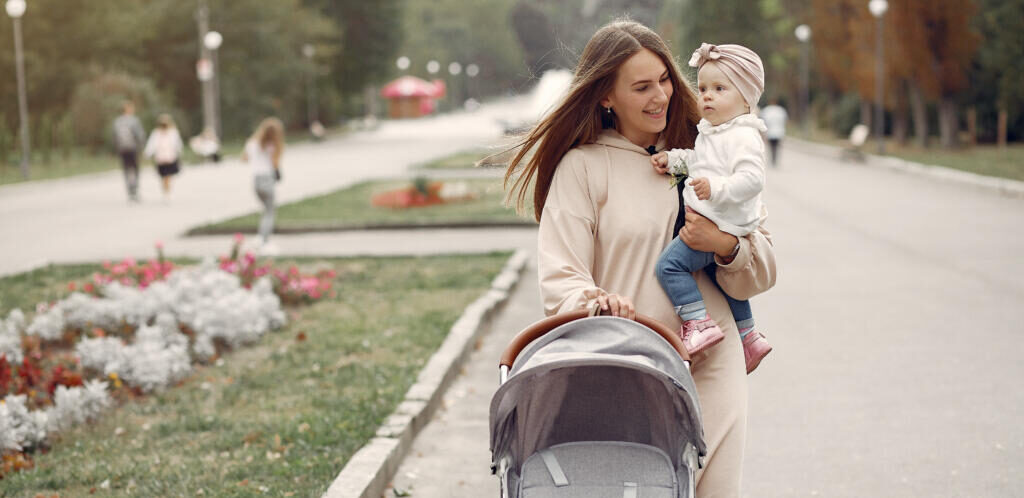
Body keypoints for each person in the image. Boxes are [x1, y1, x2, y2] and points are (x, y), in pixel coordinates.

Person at [503, 20, 776, 496]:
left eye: (666, 79)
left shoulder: (707, 149)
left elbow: (763, 265)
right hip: (630, 365)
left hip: (713, 362)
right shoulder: (583, 167)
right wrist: (596, 303)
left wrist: (724, 245)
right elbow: (561, 276)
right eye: (642, 86)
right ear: (607, 96)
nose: (661, 96)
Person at [650, 43, 773, 373]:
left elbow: (752, 179)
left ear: (746, 98)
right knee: (723, 279)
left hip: (720, 222)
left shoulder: (743, 136)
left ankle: (697, 323)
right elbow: (699, 162)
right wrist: (674, 160)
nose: (707, 96)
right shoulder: (716, 132)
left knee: (669, 267)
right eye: (703, 88)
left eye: (720, 89)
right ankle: (750, 337)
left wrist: (715, 189)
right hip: (720, 221)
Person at [242, 117, 285, 254]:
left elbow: (244, 158)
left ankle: (261, 237)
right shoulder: (272, 146)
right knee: (270, 211)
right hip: (267, 179)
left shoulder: (252, 143)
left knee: (265, 210)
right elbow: (275, 164)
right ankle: (263, 240)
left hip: (256, 180)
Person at [111, 101, 146, 202]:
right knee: (135, 169)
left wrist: (116, 149)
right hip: (133, 148)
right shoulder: (134, 121)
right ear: (129, 109)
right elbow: (140, 135)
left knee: (126, 169)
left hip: (122, 149)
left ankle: (129, 190)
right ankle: (135, 189)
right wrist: (142, 147)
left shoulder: (117, 121)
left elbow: (114, 137)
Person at [143, 114, 184, 201]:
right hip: (160, 158)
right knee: (163, 176)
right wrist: (147, 154)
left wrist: (179, 152)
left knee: (168, 176)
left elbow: (177, 143)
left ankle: (167, 192)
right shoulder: (156, 133)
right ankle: (166, 191)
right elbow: (152, 144)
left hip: (170, 157)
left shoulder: (173, 132)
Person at [760, 98, 788, 166]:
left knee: (771, 147)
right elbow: (785, 120)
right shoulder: (781, 110)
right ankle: (775, 160)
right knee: (776, 147)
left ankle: (772, 159)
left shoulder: (767, 110)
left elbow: (763, 121)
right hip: (779, 132)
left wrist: (763, 133)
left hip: (770, 132)